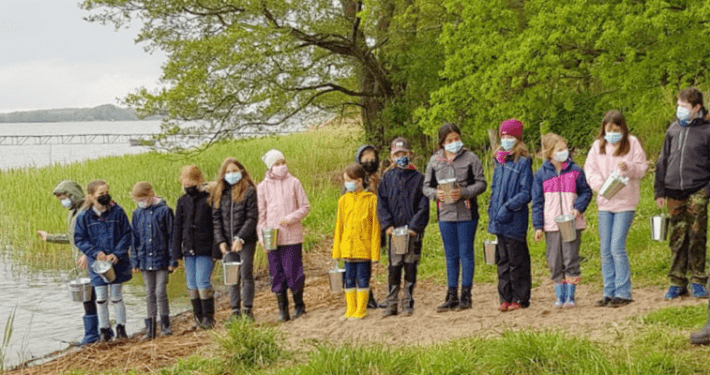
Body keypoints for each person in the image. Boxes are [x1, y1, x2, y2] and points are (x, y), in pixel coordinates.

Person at [584, 111, 648, 308]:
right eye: (608, 130)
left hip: (625, 203)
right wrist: (599, 186)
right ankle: (608, 291)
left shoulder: (632, 143)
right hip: (605, 203)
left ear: (623, 129)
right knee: (605, 249)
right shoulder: (598, 146)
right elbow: (590, 169)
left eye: (616, 130)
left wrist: (627, 166)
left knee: (617, 246)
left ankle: (623, 291)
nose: (612, 134)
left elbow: (642, 168)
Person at [423, 123, 486, 312]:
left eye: (456, 139)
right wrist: (436, 194)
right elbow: (426, 186)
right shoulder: (434, 161)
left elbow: (481, 183)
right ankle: (451, 295)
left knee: (466, 253)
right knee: (451, 255)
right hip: (445, 214)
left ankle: (466, 295)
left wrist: (465, 192)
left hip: (467, 213)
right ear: (442, 142)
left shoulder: (471, 158)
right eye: (449, 140)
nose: (454, 143)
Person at [655, 88, 710, 300]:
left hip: (697, 189)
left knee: (696, 234)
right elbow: (663, 160)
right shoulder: (673, 130)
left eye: (684, 107)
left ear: (696, 108)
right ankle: (677, 281)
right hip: (673, 190)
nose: (680, 110)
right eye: (679, 105)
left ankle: (698, 279)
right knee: (677, 236)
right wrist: (659, 189)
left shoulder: (706, 131)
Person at [532, 133, 592, 308]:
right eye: (559, 149)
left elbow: (586, 192)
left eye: (565, 148)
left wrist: (578, 208)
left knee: (571, 256)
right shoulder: (540, 175)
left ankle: (570, 297)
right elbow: (537, 202)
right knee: (554, 259)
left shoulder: (576, 171)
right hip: (551, 225)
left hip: (572, 222)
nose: (564, 152)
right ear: (550, 153)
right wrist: (538, 226)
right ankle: (559, 295)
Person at [37, 180, 99, 346]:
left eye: (64, 197)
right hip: (80, 266)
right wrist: (49, 237)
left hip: (91, 262)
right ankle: (92, 334)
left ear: (72, 195)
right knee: (88, 298)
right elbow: (72, 238)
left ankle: (97, 334)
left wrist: (87, 253)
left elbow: (96, 235)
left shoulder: (86, 211)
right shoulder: (72, 213)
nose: (63, 202)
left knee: (96, 297)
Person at [74, 180, 133, 342]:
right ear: (91, 197)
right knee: (100, 298)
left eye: (107, 192)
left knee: (116, 296)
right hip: (97, 264)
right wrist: (95, 252)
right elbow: (80, 239)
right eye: (101, 194)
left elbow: (127, 234)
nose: (105, 196)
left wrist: (117, 253)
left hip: (116, 262)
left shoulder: (118, 212)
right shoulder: (84, 217)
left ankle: (121, 327)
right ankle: (104, 330)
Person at [377, 137, 429, 318]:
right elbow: (381, 204)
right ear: (391, 157)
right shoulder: (386, 178)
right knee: (394, 266)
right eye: (397, 154)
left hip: (411, 232)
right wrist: (387, 226)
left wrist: (415, 226)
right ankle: (391, 303)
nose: (401, 157)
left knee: (410, 264)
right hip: (394, 233)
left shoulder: (419, 178)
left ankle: (408, 301)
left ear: (410, 154)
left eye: (404, 153)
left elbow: (424, 205)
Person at [257, 149, 311, 322]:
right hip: (272, 237)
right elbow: (261, 215)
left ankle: (299, 305)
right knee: (276, 273)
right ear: (270, 167)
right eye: (277, 164)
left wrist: (291, 218)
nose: (281, 166)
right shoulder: (263, 187)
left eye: (283, 162)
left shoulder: (294, 182)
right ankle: (282, 309)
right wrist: (262, 239)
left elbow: (305, 207)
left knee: (293, 271)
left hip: (292, 236)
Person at [487, 119, 533, 311]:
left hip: (514, 219)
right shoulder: (500, 162)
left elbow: (525, 192)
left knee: (517, 260)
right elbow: (495, 189)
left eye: (510, 136)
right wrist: (492, 212)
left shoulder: (522, 163)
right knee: (502, 260)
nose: (506, 139)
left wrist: (508, 207)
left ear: (517, 139)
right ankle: (504, 297)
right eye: (503, 136)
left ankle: (519, 298)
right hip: (499, 221)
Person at [172, 165, 219, 329]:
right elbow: (177, 227)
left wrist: (216, 249)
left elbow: (215, 224)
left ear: (198, 180)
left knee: (202, 281)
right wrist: (176, 251)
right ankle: (198, 318)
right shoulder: (182, 201)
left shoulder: (208, 198)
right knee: (191, 284)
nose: (187, 186)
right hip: (189, 248)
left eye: (190, 182)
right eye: (185, 183)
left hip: (205, 246)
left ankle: (208, 317)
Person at [211, 158, 258, 321]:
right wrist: (221, 241)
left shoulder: (249, 190)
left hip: (246, 240)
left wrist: (241, 238)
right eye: (228, 172)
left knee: (245, 273)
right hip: (227, 241)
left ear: (241, 172)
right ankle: (235, 311)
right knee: (231, 276)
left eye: (234, 171)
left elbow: (252, 217)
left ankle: (247, 309)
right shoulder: (220, 192)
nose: (231, 174)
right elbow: (216, 219)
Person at [332, 163, 381, 319]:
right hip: (348, 248)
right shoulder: (343, 201)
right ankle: (350, 308)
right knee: (349, 278)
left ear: (359, 180)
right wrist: (336, 251)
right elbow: (339, 226)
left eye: (349, 180)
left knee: (362, 278)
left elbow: (375, 229)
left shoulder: (372, 200)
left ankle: (361, 308)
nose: (347, 184)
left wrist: (375, 254)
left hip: (364, 249)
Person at [130, 182, 175, 339]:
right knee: (149, 292)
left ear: (150, 195)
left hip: (162, 258)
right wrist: (134, 261)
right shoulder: (137, 214)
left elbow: (171, 237)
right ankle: (150, 327)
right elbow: (134, 238)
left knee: (160, 291)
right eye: (137, 199)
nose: (140, 202)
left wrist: (172, 260)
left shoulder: (164, 211)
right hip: (144, 259)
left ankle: (165, 324)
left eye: (142, 198)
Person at [352, 144, 383, 309]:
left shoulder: (378, 177)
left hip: (374, 226)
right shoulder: (353, 178)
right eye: (365, 157)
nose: (369, 160)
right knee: (359, 264)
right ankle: (363, 298)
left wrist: (376, 186)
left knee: (370, 264)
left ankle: (369, 297)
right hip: (358, 228)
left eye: (372, 157)